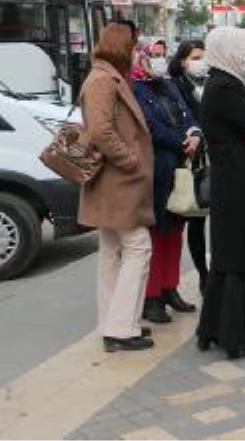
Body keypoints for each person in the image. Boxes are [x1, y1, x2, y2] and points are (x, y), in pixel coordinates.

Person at [195, 27, 245, 361]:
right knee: (240, 263)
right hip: (239, 184)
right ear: (228, 50)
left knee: (227, 263)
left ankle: (212, 330)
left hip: (237, 181)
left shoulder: (222, 84)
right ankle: (238, 339)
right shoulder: (224, 88)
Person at [79, 24, 155, 353]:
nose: (138, 51)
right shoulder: (102, 80)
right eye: (135, 46)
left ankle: (114, 324)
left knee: (112, 250)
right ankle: (122, 327)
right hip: (117, 181)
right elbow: (100, 130)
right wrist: (130, 159)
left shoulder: (108, 77)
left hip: (115, 182)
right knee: (138, 248)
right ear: (122, 46)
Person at [132, 40, 202, 325]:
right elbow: (148, 126)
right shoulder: (134, 88)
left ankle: (170, 288)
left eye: (162, 56)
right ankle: (152, 297)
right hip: (155, 170)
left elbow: (187, 114)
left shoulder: (168, 85)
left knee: (175, 229)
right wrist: (181, 142)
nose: (159, 61)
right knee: (156, 233)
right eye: (154, 56)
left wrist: (195, 133)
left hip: (178, 167)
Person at [168, 40, 211, 291]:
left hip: (216, 154)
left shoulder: (211, 81)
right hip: (193, 157)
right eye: (196, 57)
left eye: (203, 56)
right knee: (196, 217)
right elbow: (183, 117)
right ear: (182, 60)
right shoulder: (176, 86)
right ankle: (203, 274)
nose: (201, 61)